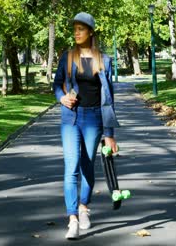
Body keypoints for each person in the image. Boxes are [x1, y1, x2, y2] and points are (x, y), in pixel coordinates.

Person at [53, 12, 120, 240]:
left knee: (87, 165)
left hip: (94, 119)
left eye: (81, 29)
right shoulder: (68, 57)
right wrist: (61, 98)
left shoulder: (105, 60)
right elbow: (56, 85)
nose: (77, 33)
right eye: (75, 29)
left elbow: (109, 99)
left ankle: (83, 207)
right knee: (70, 167)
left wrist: (109, 134)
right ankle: (72, 218)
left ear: (91, 31)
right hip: (70, 118)